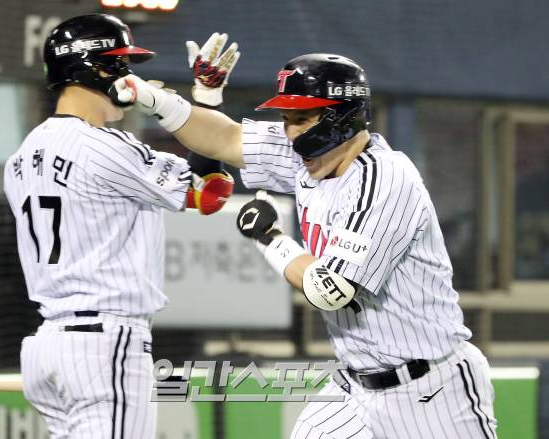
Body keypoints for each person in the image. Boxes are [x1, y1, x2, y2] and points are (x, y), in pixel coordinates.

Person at [110, 39, 498, 438]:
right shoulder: (312, 156)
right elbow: (224, 139)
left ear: (342, 117)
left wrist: (269, 237)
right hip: (355, 388)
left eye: (302, 119)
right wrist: (156, 98)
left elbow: (331, 290)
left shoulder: (385, 179)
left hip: (431, 391)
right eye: (287, 119)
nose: (290, 132)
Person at [3, 15, 234, 439]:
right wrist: (207, 102)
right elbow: (210, 193)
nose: (128, 76)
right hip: (103, 342)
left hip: (47, 345)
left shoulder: (21, 155)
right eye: (119, 64)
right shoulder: (105, 147)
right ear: (93, 68)